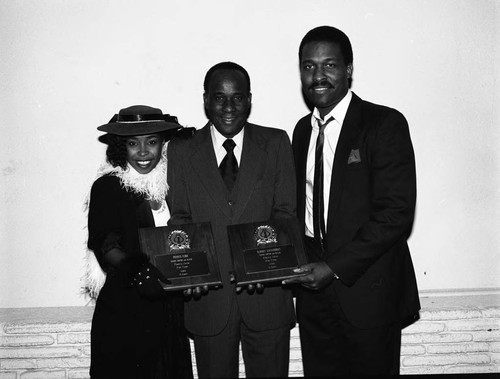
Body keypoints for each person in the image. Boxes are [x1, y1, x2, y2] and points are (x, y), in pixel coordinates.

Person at [283, 26, 420, 375]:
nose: (318, 76)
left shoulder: (383, 123)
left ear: (348, 69)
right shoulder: (301, 131)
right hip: (313, 296)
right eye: (309, 66)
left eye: (329, 65)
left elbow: (396, 213)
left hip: (368, 292)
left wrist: (333, 267)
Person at [167, 62, 296, 378]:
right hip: (209, 302)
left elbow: (285, 213)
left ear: (249, 100)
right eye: (219, 97)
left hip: (267, 297)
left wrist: (262, 266)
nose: (228, 107)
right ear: (206, 100)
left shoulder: (276, 142)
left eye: (237, 98)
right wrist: (189, 274)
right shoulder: (182, 150)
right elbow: (180, 219)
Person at [86, 105, 193, 379]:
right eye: (134, 144)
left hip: (170, 313)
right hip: (126, 311)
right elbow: (105, 245)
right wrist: (140, 271)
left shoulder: (175, 184)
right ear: (122, 147)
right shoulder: (108, 187)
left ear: (163, 145)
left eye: (152, 142)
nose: (144, 152)